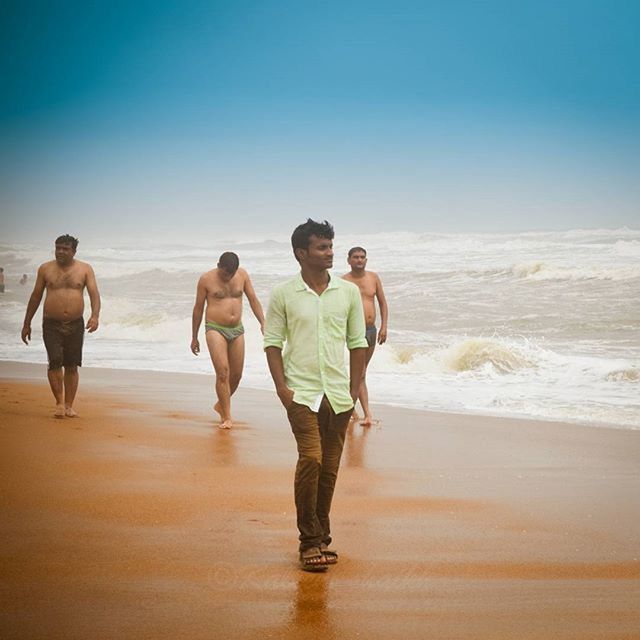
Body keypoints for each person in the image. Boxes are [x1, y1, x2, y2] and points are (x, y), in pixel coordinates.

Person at [264, 219, 367, 572]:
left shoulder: (348, 293)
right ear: (301, 253)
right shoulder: (283, 294)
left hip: (338, 394)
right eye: (321, 247)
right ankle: (308, 541)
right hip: (302, 392)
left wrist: (354, 390)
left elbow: (357, 344)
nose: (330, 253)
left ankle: (322, 535)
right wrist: (283, 389)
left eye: (330, 246)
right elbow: (272, 344)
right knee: (311, 459)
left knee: (330, 469)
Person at [21, 234, 101, 418]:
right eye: (58, 248)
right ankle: (59, 402)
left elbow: (94, 294)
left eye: (65, 249)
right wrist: (27, 323)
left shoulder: (85, 269)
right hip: (51, 323)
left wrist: (95, 316)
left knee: (72, 365)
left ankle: (68, 406)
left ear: (74, 251)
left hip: (75, 323)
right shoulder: (45, 269)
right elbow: (35, 297)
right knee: (55, 361)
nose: (60, 252)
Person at [191, 251, 265, 429]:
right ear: (218, 266)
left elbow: (253, 299)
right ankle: (226, 416)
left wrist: (263, 322)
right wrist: (194, 337)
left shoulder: (242, 275)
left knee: (237, 375)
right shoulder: (206, 279)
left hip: (237, 329)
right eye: (225, 273)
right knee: (223, 372)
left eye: (231, 274)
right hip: (215, 328)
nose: (228, 277)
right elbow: (198, 308)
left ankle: (220, 404)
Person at [342, 246, 388, 426]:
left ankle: (351, 408)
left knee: (361, 373)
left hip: (371, 330)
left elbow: (383, 303)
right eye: (355, 257)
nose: (359, 260)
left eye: (362, 257)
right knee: (359, 373)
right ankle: (366, 414)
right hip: (354, 331)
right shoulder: (344, 281)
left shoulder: (373, 278)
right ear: (349, 260)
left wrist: (384, 327)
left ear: (366, 260)